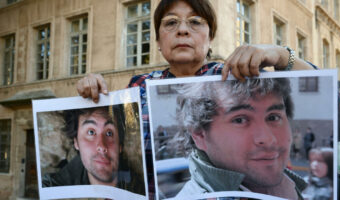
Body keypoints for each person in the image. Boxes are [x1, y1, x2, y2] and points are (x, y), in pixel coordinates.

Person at [76, 0, 317, 197]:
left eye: (195, 22)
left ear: (210, 38)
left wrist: (281, 55)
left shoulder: (236, 77)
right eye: (171, 23)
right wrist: (93, 98)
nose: (182, 29)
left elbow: (332, 97)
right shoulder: (139, 85)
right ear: (158, 42)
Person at [174, 78, 306, 200]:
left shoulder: (289, 189)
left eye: (273, 117)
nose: (268, 139)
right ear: (199, 135)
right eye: (240, 120)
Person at [42, 105, 128, 188]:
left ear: (120, 145)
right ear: (76, 142)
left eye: (109, 133)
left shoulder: (139, 186)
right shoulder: (54, 188)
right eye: (91, 132)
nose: (101, 147)